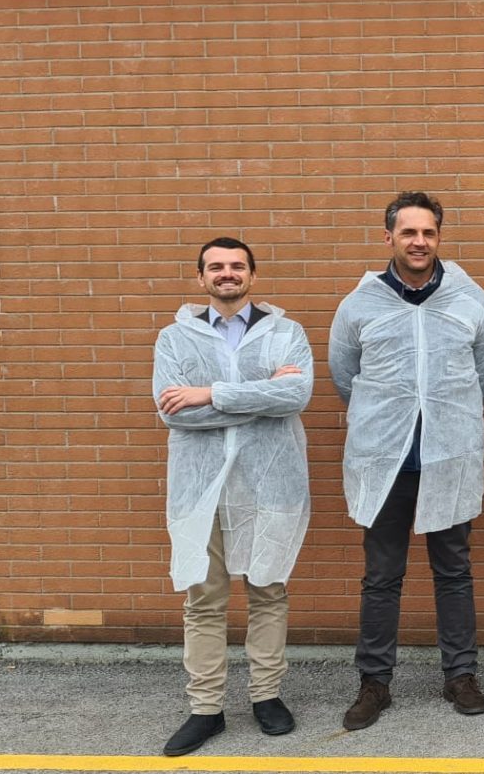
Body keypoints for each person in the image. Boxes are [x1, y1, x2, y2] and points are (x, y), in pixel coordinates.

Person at [329, 191, 484, 730]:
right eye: (408, 232)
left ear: (439, 237)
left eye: (428, 232)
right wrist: (391, 416)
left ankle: (461, 676)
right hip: (386, 461)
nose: (419, 242)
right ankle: (374, 683)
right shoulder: (360, 305)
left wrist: (445, 416)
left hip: (448, 457)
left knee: (454, 571)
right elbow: (345, 377)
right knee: (382, 576)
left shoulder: (469, 300)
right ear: (389, 238)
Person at [152, 237, 314, 756]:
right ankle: (206, 708)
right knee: (203, 598)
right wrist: (263, 394)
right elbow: (174, 412)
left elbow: (296, 395)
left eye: (237, 266)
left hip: (270, 481)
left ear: (252, 275)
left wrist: (209, 392)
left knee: (268, 590)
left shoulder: (286, 332)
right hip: (201, 488)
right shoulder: (174, 338)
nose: (227, 273)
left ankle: (267, 696)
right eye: (216, 266)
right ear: (200, 277)